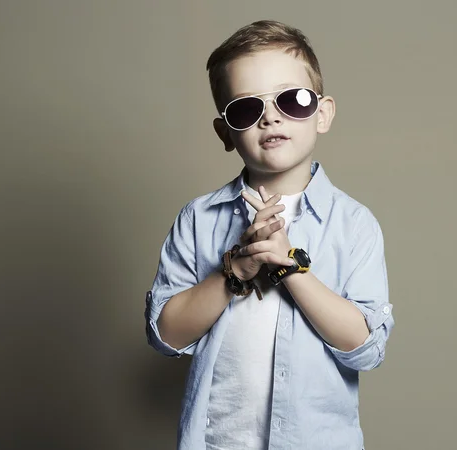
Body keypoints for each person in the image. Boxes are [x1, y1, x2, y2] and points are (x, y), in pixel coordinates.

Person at [146, 20, 394, 450]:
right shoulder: (199, 219)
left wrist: (289, 265)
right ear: (226, 132)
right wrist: (238, 267)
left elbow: (365, 347)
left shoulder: (353, 224)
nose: (271, 116)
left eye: (292, 99)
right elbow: (166, 335)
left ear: (322, 114)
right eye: (246, 109)